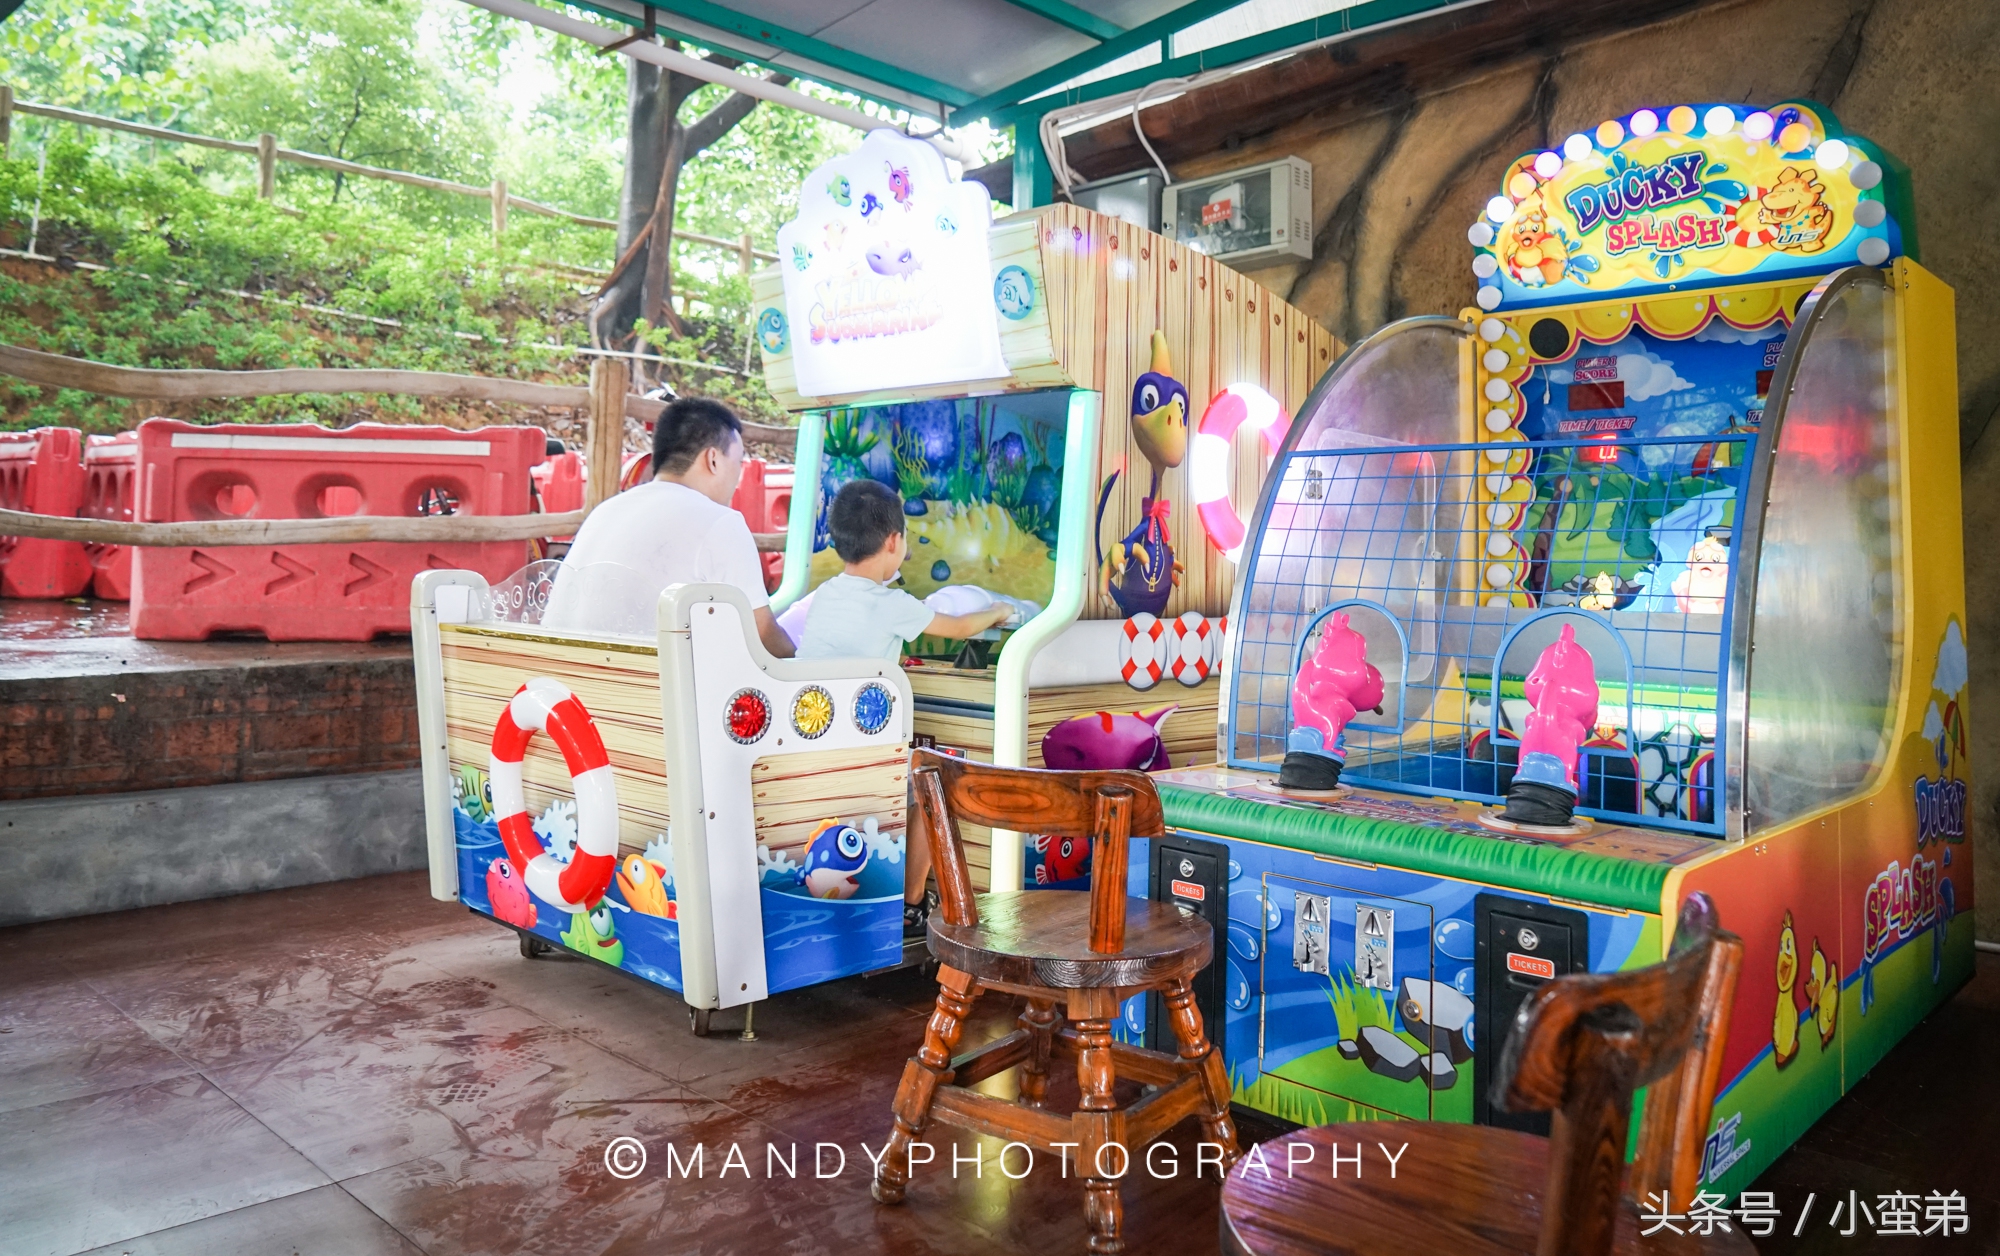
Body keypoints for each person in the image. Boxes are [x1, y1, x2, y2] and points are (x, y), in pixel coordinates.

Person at [799, 479, 1013, 934]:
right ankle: (911, 903)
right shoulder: (891, 603)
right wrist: (997, 611)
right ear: (894, 542)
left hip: (815, 744)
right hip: (859, 751)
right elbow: (958, 628)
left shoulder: (828, 593)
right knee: (931, 785)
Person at [542, 397, 793, 657]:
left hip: (565, 672)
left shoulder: (605, 511)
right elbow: (763, 638)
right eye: (738, 462)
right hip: (645, 679)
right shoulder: (719, 521)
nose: (737, 478)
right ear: (713, 459)